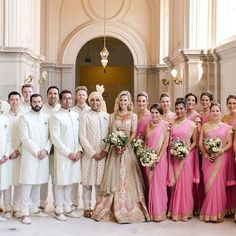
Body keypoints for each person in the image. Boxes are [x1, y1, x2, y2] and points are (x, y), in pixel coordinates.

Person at [92, 91, 150, 223]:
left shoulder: (133, 116)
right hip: (114, 150)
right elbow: (111, 132)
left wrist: (125, 145)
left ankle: (130, 208)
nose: (123, 103)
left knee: (128, 177)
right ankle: (111, 207)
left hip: (127, 150)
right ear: (118, 102)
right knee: (115, 177)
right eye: (121, 100)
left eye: (125, 100)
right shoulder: (112, 116)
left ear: (129, 102)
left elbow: (134, 132)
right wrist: (115, 145)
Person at [50, 90, 82, 221]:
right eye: (65, 99)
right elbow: (55, 138)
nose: (68, 101)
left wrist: (79, 151)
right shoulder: (56, 116)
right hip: (63, 155)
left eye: (69, 98)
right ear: (60, 100)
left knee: (70, 181)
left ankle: (68, 208)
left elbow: (78, 135)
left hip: (75, 154)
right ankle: (58, 209)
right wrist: (68, 153)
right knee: (60, 182)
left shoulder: (75, 115)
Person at [19, 94, 51, 224]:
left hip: (44, 155)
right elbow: (24, 138)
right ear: (30, 103)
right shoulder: (24, 117)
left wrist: (46, 150)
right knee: (28, 182)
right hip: (31, 155)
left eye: (39, 101)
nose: (37, 104)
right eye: (34, 102)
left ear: (42, 102)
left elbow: (50, 137)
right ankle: (24, 212)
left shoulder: (46, 117)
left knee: (39, 182)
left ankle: (34, 208)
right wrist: (37, 151)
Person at [199, 102, 233, 222]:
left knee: (218, 185)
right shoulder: (204, 126)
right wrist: (206, 154)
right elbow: (200, 143)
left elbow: (229, 143)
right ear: (210, 112)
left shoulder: (227, 127)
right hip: (207, 159)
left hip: (221, 159)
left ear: (220, 112)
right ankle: (209, 213)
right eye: (213, 111)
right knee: (208, 184)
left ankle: (216, 213)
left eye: (217, 111)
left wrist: (220, 152)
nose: (215, 113)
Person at [168, 97, 199, 221]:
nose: (179, 111)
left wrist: (186, 151)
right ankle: (174, 211)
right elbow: (168, 140)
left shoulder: (192, 125)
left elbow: (195, 142)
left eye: (181, 108)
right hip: (174, 156)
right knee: (175, 183)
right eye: (177, 109)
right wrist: (175, 151)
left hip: (187, 157)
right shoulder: (172, 123)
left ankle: (185, 212)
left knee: (185, 184)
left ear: (185, 109)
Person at [80, 91, 109, 218]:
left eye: (98, 100)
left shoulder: (107, 116)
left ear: (101, 101)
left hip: (103, 155)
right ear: (89, 101)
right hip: (89, 155)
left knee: (100, 183)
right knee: (87, 183)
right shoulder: (84, 116)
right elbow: (82, 137)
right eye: (92, 100)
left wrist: (104, 151)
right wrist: (92, 153)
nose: (95, 102)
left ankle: (98, 206)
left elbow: (110, 135)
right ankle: (87, 207)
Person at [144, 103, 169, 221]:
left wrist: (157, 157)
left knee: (159, 185)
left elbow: (165, 143)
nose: (154, 115)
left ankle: (160, 212)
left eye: (156, 113)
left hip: (160, 159)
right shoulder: (148, 125)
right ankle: (152, 212)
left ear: (161, 114)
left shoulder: (166, 125)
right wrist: (146, 156)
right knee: (151, 185)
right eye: (152, 112)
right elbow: (146, 142)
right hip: (148, 159)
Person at [40, 86, 61, 212]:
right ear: (47, 95)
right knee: (43, 178)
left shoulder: (61, 109)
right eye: (50, 93)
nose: (53, 96)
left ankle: (57, 204)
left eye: (55, 93)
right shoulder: (41, 109)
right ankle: (42, 203)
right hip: (43, 149)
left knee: (56, 179)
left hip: (58, 151)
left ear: (58, 96)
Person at [3, 92, 23, 220]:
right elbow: (3, 137)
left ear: (20, 101)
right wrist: (9, 152)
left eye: (17, 99)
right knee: (7, 181)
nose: (14, 102)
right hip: (7, 154)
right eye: (12, 99)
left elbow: (27, 137)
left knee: (19, 182)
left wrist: (18, 150)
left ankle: (16, 208)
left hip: (21, 154)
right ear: (8, 101)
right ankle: (7, 208)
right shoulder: (3, 117)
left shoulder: (25, 117)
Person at [71, 85, 90, 210]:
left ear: (86, 96)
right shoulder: (72, 111)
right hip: (75, 147)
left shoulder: (90, 110)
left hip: (88, 149)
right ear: (76, 96)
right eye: (79, 94)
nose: (81, 96)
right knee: (74, 178)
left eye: (83, 94)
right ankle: (74, 202)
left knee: (86, 178)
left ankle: (87, 204)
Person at [222, 95, 236, 217]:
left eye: (234, 103)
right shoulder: (224, 118)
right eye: (230, 103)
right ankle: (226, 207)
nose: (232, 106)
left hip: (234, 150)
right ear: (227, 104)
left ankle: (233, 207)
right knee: (225, 177)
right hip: (226, 150)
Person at [0, 110, 10, 222]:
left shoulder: (4, 119)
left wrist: (6, 155)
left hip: (3, 159)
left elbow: (9, 139)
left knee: (1, 186)